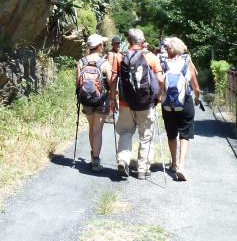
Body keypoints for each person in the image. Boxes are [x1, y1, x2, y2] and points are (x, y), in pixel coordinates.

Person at [115, 28, 164, 179]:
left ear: (128, 41)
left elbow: (113, 80)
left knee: (125, 132)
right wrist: (159, 96)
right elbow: (161, 80)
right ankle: (142, 170)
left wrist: (112, 97)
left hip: (125, 103)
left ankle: (123, 160)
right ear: (142, 41)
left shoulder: (120, 57)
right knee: (146, 136)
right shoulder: (150, 57)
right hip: (145, 102)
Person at [160, 37, 202, 181]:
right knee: (185, 134)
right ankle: (181, 166)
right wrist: (197, 98)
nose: (165, 49)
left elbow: (160, 84)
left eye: (167, 47)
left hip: (167, 104)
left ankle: (173, 163)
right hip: (185, 102)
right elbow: (196, 86)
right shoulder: (186, 63)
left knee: (171, 133)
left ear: (171, 49)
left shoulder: (163, 64)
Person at [76, 34, 112, 172]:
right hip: (101, 100)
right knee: (98, 130)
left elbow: (78, 83)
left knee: (92, 128)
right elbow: (111, 83)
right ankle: (96, 161)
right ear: (99, 46)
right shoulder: (105, 63)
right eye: (102, 44)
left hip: (86, 100)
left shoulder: (81, 62)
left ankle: (93, 155)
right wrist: (113, 97)